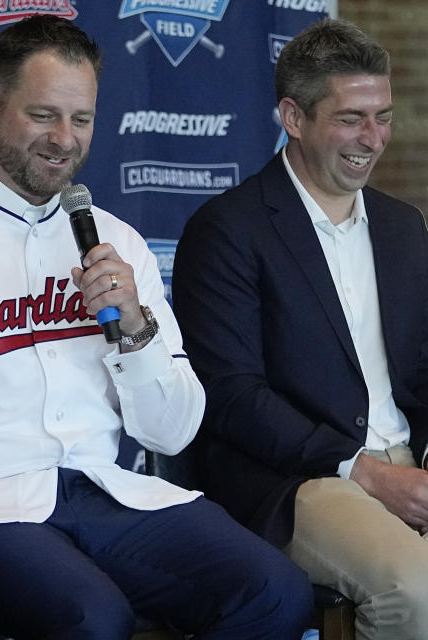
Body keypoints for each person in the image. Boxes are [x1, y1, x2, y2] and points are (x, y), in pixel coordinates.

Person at [0, 14, 313, 639]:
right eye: (43, 115)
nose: (64, 140)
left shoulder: (116, 242)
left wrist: (134, 328)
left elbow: (172, 432)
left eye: (82, 119)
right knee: (90, 617)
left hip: (103, 493)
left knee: (274, 591)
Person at [172, 17, 428, 639]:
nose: (373, 138)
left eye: (384, 116)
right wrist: (362, 470)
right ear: (293, 117)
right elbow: (233, 398)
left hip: (411, 460)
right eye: (350, 118)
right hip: (297, 480)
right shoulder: (228, 230)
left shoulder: (402, 226)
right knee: (417, 591)